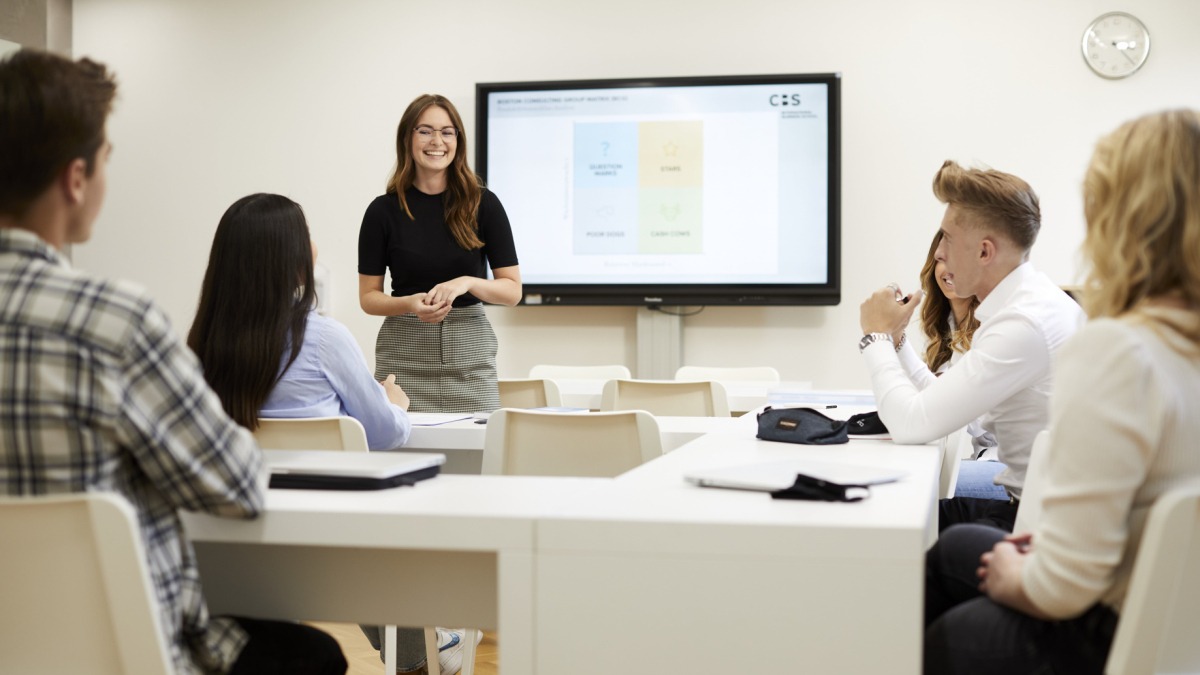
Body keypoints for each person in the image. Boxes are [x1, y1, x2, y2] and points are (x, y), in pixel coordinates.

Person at [0, 49, 345, 674]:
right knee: (314, 657)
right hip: (129, 650)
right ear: (76, 179)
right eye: (106, 159)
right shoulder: (112, 323)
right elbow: (238, 484)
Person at [924, 108, 1200, 675]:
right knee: (952, 548)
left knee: (951, 634)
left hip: (1114, 621)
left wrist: (1016, 573)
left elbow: (1063, 587)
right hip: (1178, 611)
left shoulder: (1117, 352)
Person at [859, 160, 1084, 532]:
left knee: (897, 522)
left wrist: (875, 337)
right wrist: (895, 341)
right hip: (1040, 512)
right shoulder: (1026, 305)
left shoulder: (1022, 324)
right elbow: (943, 405)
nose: (938, 253)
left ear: (984, 252)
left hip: (1041, 527)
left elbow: (911, 424)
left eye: (947, 238)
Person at [188, 193, 412, 451]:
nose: (313, 246)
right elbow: (385, 434)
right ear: (286, 257)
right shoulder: (326, 339)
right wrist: (394, 404)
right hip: (323, 476)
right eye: (306, 236)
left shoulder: (203, 341)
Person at [358, 94, 521, 414]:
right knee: (400, 442)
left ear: (458, 140)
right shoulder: (382, 211)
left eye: (447, 132)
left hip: (471, 360)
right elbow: (368, 298)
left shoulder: (484, 204)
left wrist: (467, 282)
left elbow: (512, 291)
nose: (437, 141)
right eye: (425, 131)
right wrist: (409, 303)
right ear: (407, 138)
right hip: (402, 358)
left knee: (479, 443)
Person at [911, 231, 1007, 501]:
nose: (950, 268)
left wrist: (893, 342)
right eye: (942, 259)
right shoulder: (947, 329)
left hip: (1010, 467)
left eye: (960, 258)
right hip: (984, 459)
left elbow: (961, 413)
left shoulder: (994, 326)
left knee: (919, 485)